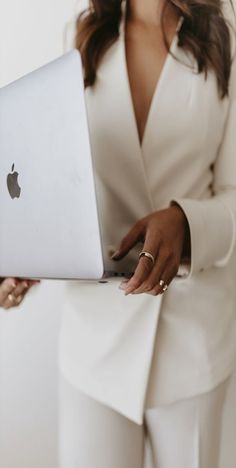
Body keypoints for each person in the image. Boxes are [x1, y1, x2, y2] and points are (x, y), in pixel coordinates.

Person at [1, 0, 236, 466]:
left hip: (194, 342)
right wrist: (26, 257)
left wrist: (186, 223)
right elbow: (52, 180)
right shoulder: (81, 35)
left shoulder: (225, 37)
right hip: (94, 345)